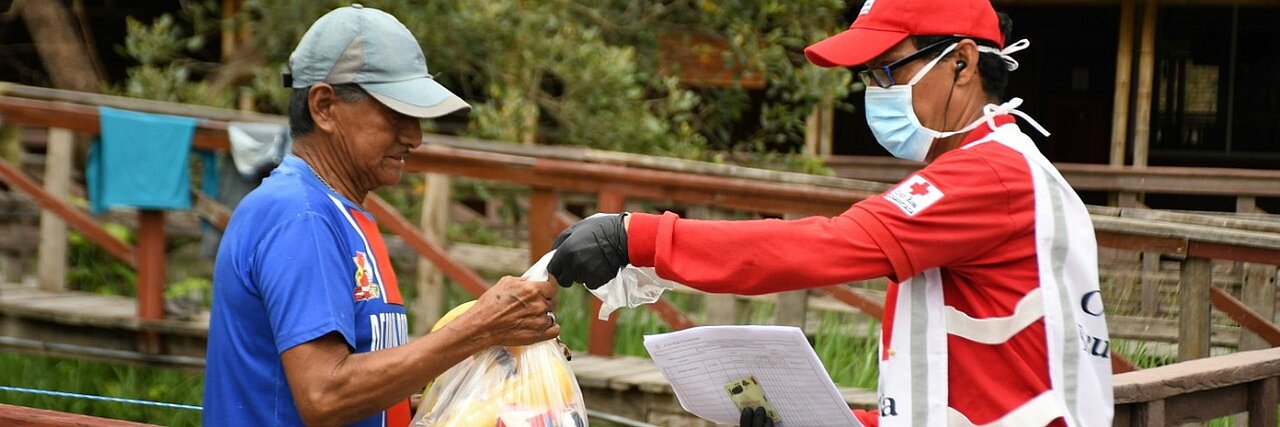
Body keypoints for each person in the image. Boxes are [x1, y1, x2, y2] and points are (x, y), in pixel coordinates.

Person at [547, 0, 1113, 425]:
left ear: (962, 64)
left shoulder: (989, 175)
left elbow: (827, 246)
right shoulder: (989, 166)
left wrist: (639, 238)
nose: (875, 91)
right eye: (867, 78)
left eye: (888, 71)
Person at [203, 6, 559, 427]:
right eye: (395, 115)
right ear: (324, 107)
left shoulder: (340, 211)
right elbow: (325, 394)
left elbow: (351, 387)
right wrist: (479, 328)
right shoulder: (301, 216)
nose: (414, 136)